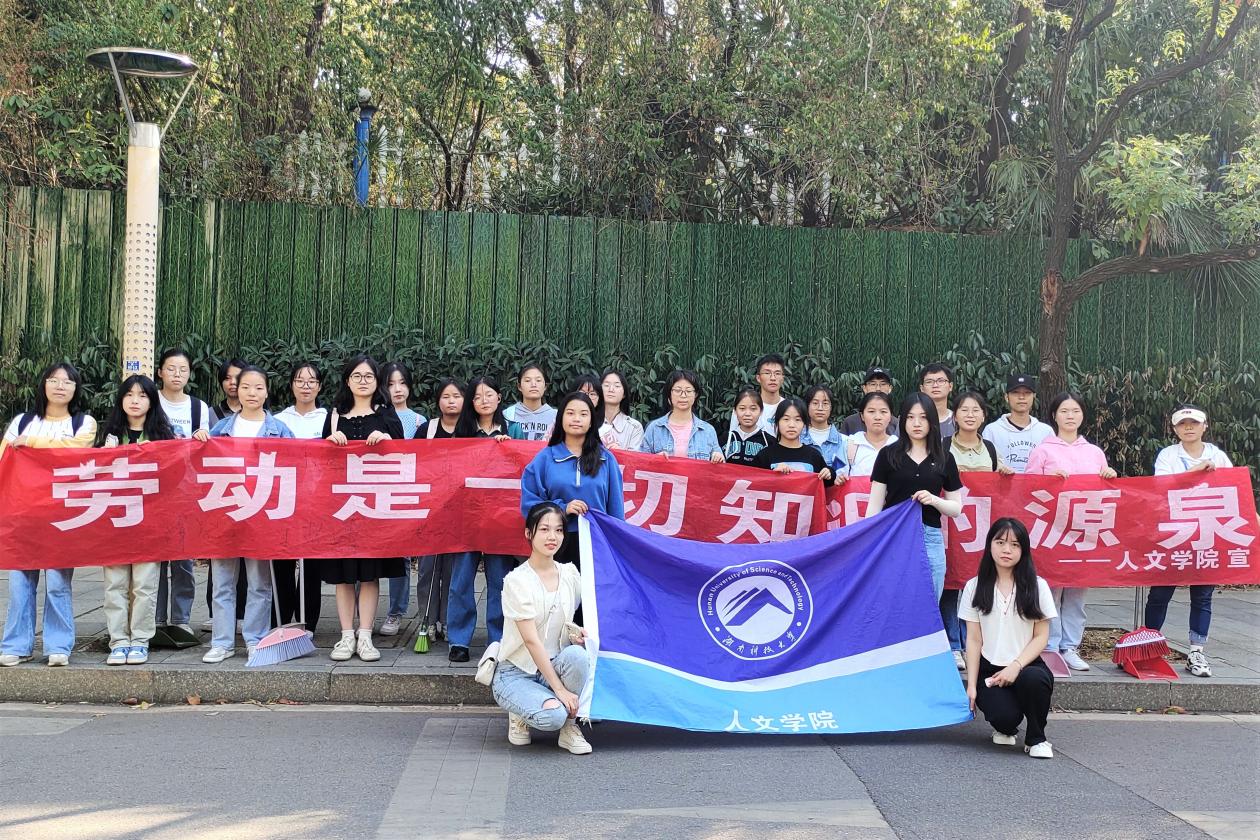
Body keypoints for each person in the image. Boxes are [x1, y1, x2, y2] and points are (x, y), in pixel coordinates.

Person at [0, 362, 97, 668]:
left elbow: (75, 450)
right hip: (23, 516)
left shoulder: (84, 423)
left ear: (76, 389)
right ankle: (16, 645)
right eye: (53, 380)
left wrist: (31, 444)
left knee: (57, 583)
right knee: (19, 584)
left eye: (67, 382)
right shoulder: (22, 421)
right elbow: (5, 458)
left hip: (62, 517)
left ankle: (58, 644)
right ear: (43, 385)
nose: (60, 386)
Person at [203, 365, 293, 664]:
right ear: (236, 390)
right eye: (245, 387)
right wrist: (200, 440)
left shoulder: (280, 430)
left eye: (258, 387)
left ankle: (255, 639)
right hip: (224, 513)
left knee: (259, 583)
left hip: (260, 515)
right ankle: (222, 642)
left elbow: (297, 466)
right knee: (222, 583)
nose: (252, 393)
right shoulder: (220, 429)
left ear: (267, 392)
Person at [322, 355, 408, 662]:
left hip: (375, 507)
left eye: (369, 376)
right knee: (344, 575)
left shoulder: (386, 415)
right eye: (357, 376)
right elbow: (320, 462)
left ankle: (366, 635)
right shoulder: (335, 415)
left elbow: (405, 456)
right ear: (347, 381)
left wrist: (386, 439)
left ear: (377, 382)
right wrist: (329, 442)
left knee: (371, 574)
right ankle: (347, 635)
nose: (363, 381)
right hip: (343, 507)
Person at [1025, 392, 1117, 672]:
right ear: (1054, 416)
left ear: (1082, 415)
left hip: (1084, 531)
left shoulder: (1094, 452)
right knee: (1050, 590)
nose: (1070, 416)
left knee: (1077, 592)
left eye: (1075, 411)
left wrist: (1110, 476)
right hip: (1052, 531)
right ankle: (1050, 645)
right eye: (1064, 411)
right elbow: (1027, 488)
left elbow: (1105, 491)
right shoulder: (1043, 450)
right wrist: (1046, 480)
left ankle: (1071, 646)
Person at [493, 502, 593, 755]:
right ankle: (521, 710)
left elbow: (568, 617)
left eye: (559, 530)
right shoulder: (517, 580)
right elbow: (532, 641)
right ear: (529, 533)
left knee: (578, 656)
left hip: (554, 663)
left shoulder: (570, 573)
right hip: (516, 672)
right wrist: (559, 690)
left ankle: (569, 727)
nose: (552, 537)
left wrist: (575, 633)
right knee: (552, 717)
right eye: (545, 529)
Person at [1144, 405, 1236, 678]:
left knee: (1203, 595)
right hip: (1174, 534)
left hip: (1208, 533)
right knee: (1160, 593)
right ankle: (1148, 647)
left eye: (1194, 423)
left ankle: (1197, 651)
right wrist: (1196, 471)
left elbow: (1234, 488)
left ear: (1204, 426)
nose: (1188, 428)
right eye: (1182, 424)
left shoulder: (1217, 456)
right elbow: (1161, 487)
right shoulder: (1168, 455)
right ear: (1175, 429)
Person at [960, 518, 1057, 759]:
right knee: (1004, 719)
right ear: (989, 545)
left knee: (1035, 680)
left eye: (1015, 544)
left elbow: (1041, 636)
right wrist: (971, 685)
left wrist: (1016, 666)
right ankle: (1006, 725)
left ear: (1023, 550)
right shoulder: (974, 586)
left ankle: (1037, 738)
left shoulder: (1037, 586)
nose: (1007, 550)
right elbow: (973, 640)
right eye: (1000, 542)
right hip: (990, 669)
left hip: (1026, 665)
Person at [96, 375, 175, 665]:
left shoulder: (164, 438)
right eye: (129, 395)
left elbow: (175, 478)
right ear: (121, 400)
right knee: (114, 584)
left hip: (149, 524)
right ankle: (118, 641)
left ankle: (140, 640)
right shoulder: (109, 436)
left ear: (152, 401)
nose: (135, 401)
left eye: (142, 395)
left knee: (144, 585)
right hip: (113, 522)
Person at [448, 376, 522, 662]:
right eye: (477, 397)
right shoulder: (462, 431)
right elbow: (450, 470)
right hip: (467, 515)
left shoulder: (513, 429)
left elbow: (525, 465)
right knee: (461, 579)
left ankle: (498, 638)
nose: (484, 401)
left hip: (501, 517)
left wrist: (509, 448)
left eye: (489, 395)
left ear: (499, 398)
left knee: (500, 580)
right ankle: (459, 639)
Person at [865, 393, 963, 600]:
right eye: (910, 417)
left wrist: (934, 499)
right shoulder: (888, 455)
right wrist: (870, 541)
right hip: (893, 536)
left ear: (932, 421)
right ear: (902, 420)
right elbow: (874, 508)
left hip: (930, 537)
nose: (916, 423)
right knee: (893, 599)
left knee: (929, 601)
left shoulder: (945, 458)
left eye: (923, 417)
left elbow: (956, 508)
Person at [520, 392, 626, 569]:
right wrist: (562, 508)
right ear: (560, 418)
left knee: (593, 587)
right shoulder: (544, 459)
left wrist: (618, 544)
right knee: (558, 586)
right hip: (555, 542)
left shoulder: (606, 459)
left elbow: (616, 510)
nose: (576, 418)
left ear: (592, 421)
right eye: (570, 413)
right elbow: (529, 505)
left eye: (583, 414)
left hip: (597, 542)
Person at [941, 391, 1004, 670]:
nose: (970, 415)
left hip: (980, 529)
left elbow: (1002, 482)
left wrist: (1005, 475)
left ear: (983, 416)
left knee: (976, 584)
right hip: (949, 524)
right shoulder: (942, 446)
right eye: (964, 410)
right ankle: (953, 644)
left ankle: (973, 643)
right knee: (950, 585)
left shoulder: (990, 449)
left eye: (975, 410)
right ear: (954, 416)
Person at [153, 348, 211, 633]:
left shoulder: (198, 407)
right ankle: (155, 620)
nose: (177, 374)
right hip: (153, 490)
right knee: (154, 560)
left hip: (186, 491)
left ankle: (181, 620)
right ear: (160, 372)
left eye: (183, 369)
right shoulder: (150, 401)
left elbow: (206, 450)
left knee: (183, 558)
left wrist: (203, 439)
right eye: (171, 368)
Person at [273, 362, 328, 630]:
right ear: (292, 385)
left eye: (311, 381)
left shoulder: (329, 419)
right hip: (284, 499)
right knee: (282, 562)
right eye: (300, 381)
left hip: (317, 501)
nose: (305, 386)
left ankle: (308, 623)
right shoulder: (278, 420)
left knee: (312, 566)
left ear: (319, 386)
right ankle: (280, 621)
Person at [413, 378, 465, 641]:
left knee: (453, 570)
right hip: (430, 509)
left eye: (456, 396)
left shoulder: (470, 429)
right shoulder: (427, 429)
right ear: (438, 401)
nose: (451, 401)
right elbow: (413, 463)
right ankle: (427, 620)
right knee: (427, 569)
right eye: (446, 396)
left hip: (462, 511)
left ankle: (447, 620)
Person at [380, 361, 426, 637]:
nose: (397, 389)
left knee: (401, 556)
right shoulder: (374, 415)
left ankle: (396, 612)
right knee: (366, 554)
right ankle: (362, 612)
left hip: (403, 492)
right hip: (373, 490)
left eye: (402, 383)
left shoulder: (419, 421)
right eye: (390, 384)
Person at [641, 370, 723, 461]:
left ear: (695, 395)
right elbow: (641, 462)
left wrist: (718, 457)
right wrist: (654, 459)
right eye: (677, 390)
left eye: (688, 391)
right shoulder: (654, 428)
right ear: (669, 394)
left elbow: (720, 466)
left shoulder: (708, 431)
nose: (683, 395)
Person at [752, 399, 835, 485]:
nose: (791, 425)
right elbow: (753, 484)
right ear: (777, 422)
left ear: (804, 424)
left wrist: (829, 473)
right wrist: (772, 474)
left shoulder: (814, 456)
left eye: (797, 420)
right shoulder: (764, 456)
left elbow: (827, 485)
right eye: (786, 419)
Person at [983, 374, 1052, 473]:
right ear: (1006, 397)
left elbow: (1052, 465)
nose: (1021, 397)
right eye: (1015, 393)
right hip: (1002, 483)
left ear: (1034, 396)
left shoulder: (1046, 431)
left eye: (1027, 393)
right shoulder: (992, 431)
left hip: (1037, 483)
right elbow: (985, 466)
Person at [729, 353, 786, 434]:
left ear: (782, 378)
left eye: (777, 373)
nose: (773, 378)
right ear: (758, 378)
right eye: (767, 373)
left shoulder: (788, 408)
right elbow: (733, 436)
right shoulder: (744, 406)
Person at [845, 392, 898, 478]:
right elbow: (839, 474)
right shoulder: (851, 444)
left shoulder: (899, 446)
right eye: (871, 411)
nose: (877, 417)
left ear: (890, 416)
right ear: (862, 416)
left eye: (883, 412)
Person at [801, 385, 847, 479]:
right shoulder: (797, 438)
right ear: (807, 406)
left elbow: (844, 473)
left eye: (825, 403)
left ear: (831, 407)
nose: (820, 408)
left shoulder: (844, 441)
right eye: (815, 403)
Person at [839, 366, 900, 437]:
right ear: (864, 388)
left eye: (883, 384)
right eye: (873, 384)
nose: (878, 389)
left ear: (890, 388)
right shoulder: (850, 422)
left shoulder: (897, 424)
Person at [503, 363, 556, 441]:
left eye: (538, 380)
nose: (533, 384)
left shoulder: (556, 416)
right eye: (527, 380)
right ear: (519, 386)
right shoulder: (508, 415)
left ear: (545, 386)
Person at [722, 386, 772, 466]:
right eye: (742, 408)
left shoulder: (769, 441)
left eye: (753, 409)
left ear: (761, 411)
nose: (747, 414)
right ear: (735, 411)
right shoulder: (725, 438)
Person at [598, 369, 644, 451]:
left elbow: (635, 457)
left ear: (624, 394)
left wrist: (619, 452)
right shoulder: (590, 422)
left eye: (617, 386)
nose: (611, 389)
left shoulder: (634, 427)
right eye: (606, 385)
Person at [919, 363, 957, 439]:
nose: (935, 385)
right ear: (922, 388)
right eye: (929, 381)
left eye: (941, 381)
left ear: (950, 386)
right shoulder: (910, 419)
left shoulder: (958, 421)